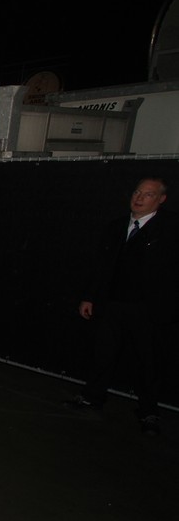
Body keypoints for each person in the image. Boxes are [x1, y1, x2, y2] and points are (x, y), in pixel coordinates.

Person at [69, 177, 178, 435]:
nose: (139, 198)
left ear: (161, 200)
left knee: (147, 360)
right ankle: (92, 397)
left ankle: (148, 411)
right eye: (137, 192)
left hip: (147, 309)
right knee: (103, 353)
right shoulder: (116, 227)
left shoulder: (171, 229)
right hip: (111, 304)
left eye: (148, 194)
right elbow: (101, 266)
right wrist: (90, 296)